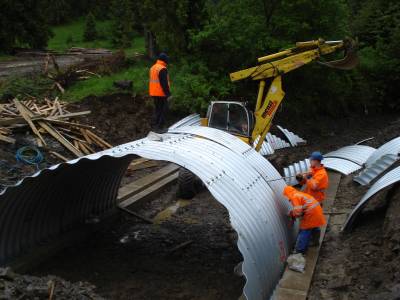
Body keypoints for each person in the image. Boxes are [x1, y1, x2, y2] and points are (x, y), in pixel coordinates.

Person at [283, 186, 326, 254]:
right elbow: (302, 207)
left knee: (305, 230)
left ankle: (300, 250)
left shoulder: (294, 197)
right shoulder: (300, 194)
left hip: (311, 213)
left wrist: (292, 215)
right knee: (314, 226)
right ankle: (315, 242)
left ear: (288, 193)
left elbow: (298, 212)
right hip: (317, 210)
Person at [149, 53, 171, 130]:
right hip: (161, 93)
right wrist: (168, 94)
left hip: (153, 93)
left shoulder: (153, 67)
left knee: (158, 110)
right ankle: (160, 127)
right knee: (163, 110)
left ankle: (156, 126)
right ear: (164, 60)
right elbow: (164, 83)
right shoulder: (162, 69)